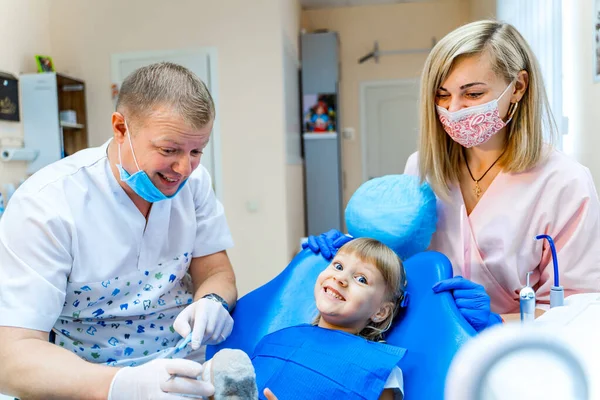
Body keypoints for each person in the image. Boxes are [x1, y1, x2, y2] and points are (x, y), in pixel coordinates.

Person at [305, 20, 600, 322]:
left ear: (518, 87)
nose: (454, 109)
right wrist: (354, 255)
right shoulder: (422, 168)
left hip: (516, 352)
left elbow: (577, 306)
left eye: (472, 94)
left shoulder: (563, 183)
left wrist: (497, 321)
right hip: (428, 339)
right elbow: (400, 270)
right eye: (443, 95)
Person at [0, 62, 237, 399]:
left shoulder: (194, 184)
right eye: (169, 150)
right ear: (120, 128)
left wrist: (212, 300)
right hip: (87, 385)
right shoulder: (47, 205)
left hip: (188, 375)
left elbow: (216, 270)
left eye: (196, 151)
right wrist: (120, 386)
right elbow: (11, 359)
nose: (184, 169)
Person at [202, 237, 408, 400]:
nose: (340, 278)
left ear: (380, 312)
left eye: (361, 279)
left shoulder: (380, 370)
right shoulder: (278, 339)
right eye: (338, 266)